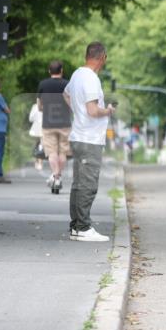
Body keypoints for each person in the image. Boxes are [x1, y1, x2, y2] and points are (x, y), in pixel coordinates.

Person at [64, 42, 116, 242]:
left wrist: (78, 112)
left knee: (78, 184)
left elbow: (65, 94)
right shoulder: (92, 78)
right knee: (88, 184)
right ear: (102, 57)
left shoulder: (77, 74)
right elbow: (93, 111)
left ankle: (76, 227)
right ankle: (83, 227)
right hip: (90, 139)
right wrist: (108, 111)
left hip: (79, 136)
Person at [38, 60, 72, 191]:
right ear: (61, 70)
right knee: (63, 152)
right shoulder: (68, 84)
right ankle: (57, 177)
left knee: (52, 152)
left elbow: (39, 105)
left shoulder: (43, 84)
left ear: (49, 71)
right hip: (64, 123)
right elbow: (71, 103)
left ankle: (55, 176)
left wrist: (44, 108)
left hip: (48, 123)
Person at [28, 101, 45, 171]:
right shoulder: (35, 106)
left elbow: (31, 118)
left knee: (40, 144)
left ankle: (38, 161)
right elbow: (30, 119)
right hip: (40, 128)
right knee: (40, 144)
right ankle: (39, 161)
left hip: (40, 128)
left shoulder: (35, 106)